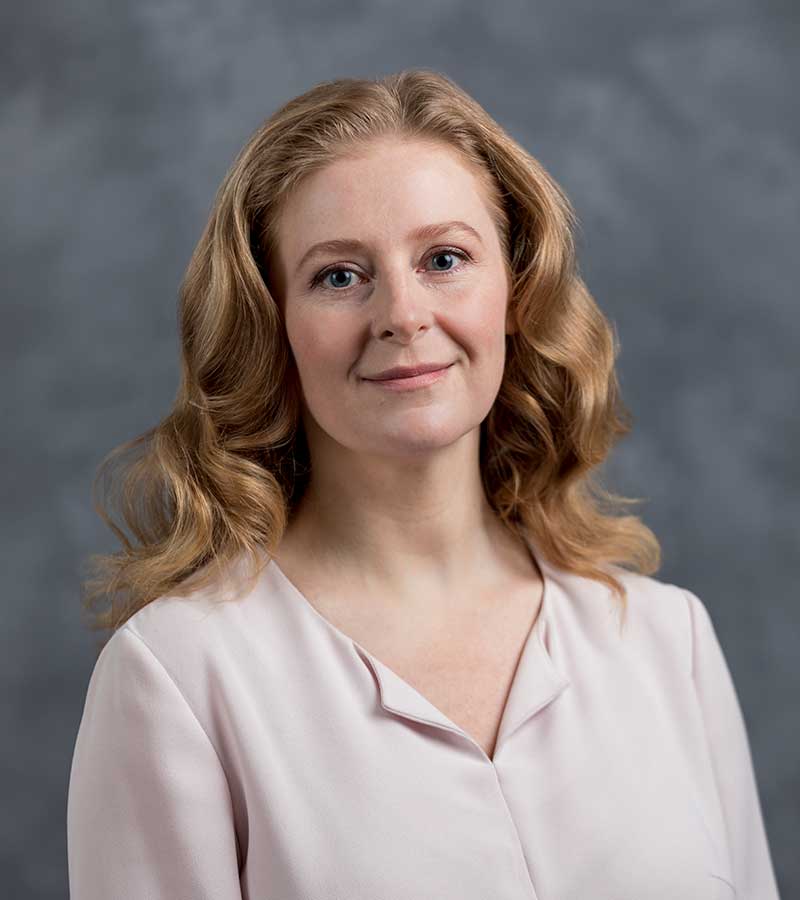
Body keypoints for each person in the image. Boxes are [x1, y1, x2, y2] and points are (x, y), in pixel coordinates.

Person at [67, 69, 780, 899]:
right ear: (272, 327)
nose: (403, 315)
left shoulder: (667, 642)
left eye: (445, 258)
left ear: (516, 292)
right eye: (339, 275)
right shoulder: (180, 678)